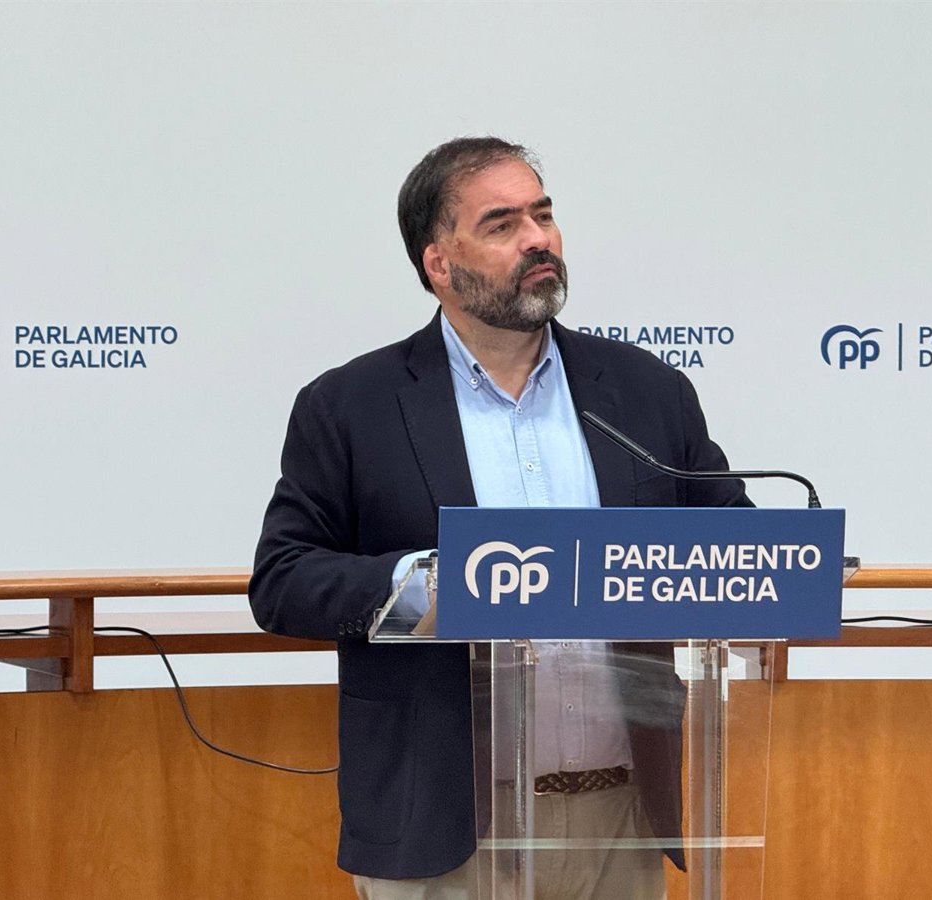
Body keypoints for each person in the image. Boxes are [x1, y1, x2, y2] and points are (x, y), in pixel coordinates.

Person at [250, 137, 752, 899]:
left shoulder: (644, 391)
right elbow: (284, 580)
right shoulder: (352, 405)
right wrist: (429, 591)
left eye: (543, 216)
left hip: (619, 815)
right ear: (439, 263)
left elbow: (733, 545)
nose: (537, 239)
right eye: (502, 224)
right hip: (445, 819)